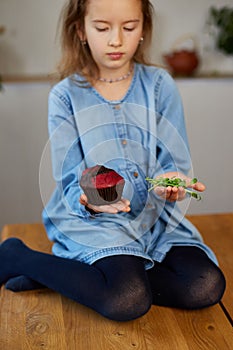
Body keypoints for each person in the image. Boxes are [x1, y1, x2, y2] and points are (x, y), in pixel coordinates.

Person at [0, 0, 225, 322]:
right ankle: (16, 256)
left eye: (129, 27)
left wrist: (170, 184)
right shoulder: (64, 96)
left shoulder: (161, 86)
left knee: (204, 286)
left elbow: (173, 161)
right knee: (126, 299)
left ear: (143, 29)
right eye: (102, 28)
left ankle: (70, 274)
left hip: (155, 219)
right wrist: (91, 202)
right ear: (80, 30)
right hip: (96, 221)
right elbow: (69, 180)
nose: (116, 40)